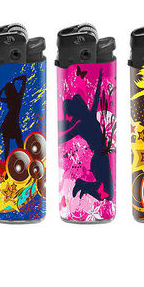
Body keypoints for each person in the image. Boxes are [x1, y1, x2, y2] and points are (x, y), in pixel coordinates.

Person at [58, 70, 113, 200]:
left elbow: (97, 97)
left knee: (108, 194)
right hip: (99, 158)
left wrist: (99, 80)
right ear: (80, 108)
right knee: (108, 194)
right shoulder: (81, 125)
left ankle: (83, 185)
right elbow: (64, 137)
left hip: (102, 157)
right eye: (82, 103)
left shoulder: (89, 116)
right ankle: (82, 185)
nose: (84, 103)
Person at [0, 75, 27, 159]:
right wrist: (15, 80)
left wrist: (3, 88)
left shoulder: (11, 99)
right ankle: (24, 162)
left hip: (8, 123)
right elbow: (24, 79)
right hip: (12, 123)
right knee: (20, 147)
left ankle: (7, 164)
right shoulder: (18, 97)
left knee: (7, 148)